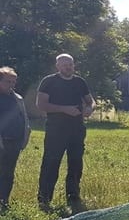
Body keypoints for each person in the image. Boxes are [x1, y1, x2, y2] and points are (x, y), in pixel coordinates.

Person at [36, 53, 95, 211]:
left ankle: (73, 196)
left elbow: (90, 101)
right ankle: (44, 198)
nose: (68, 67)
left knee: (76, 162)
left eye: (70, 64)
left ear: (73, 65)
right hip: (56, 129)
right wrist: (64, 109)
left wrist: (89, 108)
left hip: (77, 129)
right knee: (51, 163)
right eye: (64, 65)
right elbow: (41, 105)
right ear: (57, 66)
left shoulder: (80, 82)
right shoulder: (49, 81)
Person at [0, 67, 31, 211]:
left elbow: (24, 117)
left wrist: (26, 134)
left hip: (14, 141)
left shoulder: (17, 98)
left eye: (13, 82)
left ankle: (3, 201)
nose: (11, 85)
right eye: (8, 82)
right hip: (2, 140)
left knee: (8, 173)